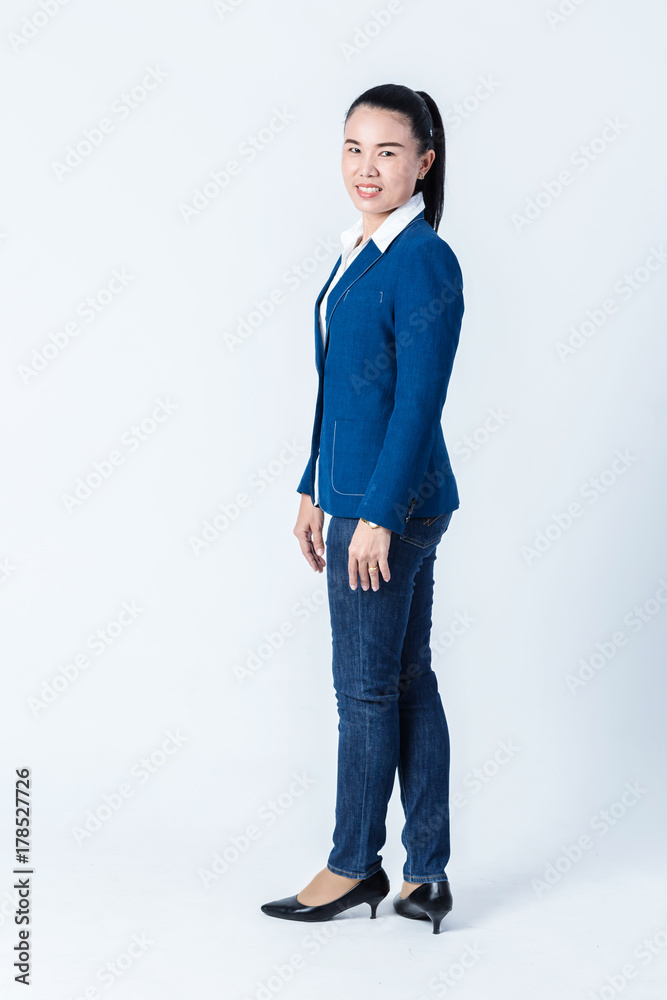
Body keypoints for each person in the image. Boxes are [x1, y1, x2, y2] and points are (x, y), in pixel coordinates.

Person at [261, 84, 465, 935]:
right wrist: (313, 483)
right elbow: (342, 387)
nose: (365, 167)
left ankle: (352, 866)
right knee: (404, 681)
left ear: (422, 162)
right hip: (355, 495)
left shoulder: (420, 258)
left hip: (390, 504)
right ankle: (424, 875)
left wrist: (374, 513)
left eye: (386, 151)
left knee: (364, 693)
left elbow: (419, 402)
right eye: (352, 148)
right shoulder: (362, 249)